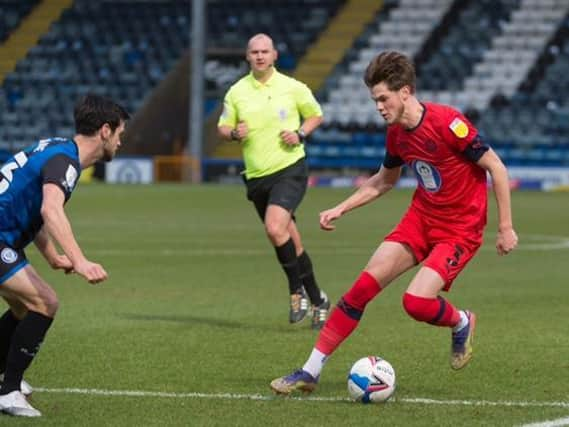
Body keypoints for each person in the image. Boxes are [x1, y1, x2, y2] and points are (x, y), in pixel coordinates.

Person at [270, 51, 519, 395]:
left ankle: (461, 321)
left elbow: (497, 167)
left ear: (405, 91)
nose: (379, 107)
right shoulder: (397, 134)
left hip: (460, 231)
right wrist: (341, 208)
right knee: (359, 292)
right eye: (375, 101)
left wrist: (505, 227)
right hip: (420, 220)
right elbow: (384, 181)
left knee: (415, 303)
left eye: (383, 98)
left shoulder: (448, 123)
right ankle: (309, 372)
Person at [0, 94, 129, 416]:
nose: (120, 142)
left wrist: (54, 257)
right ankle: (8, 391)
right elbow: (50, 209)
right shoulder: (66, 162)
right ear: (104, 131)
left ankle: (6, 383)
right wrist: (81, 260)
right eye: (120, 134)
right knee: (45, 302)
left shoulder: (56, 148)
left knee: (21, 307)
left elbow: (36, 212)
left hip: (5, 240)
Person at [217, 33, 330, 329]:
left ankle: (296, 292)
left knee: (274, 227)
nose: (259, 56)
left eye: (264, 51)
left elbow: (316, 115)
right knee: (291, 241)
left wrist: (300, 134)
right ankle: (319, 300)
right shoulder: (237, 91)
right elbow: (223, 125)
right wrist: (232, 133)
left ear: (275, 55)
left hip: (290, 168)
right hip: (256, 177)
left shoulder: (293, 87)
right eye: (254, 51)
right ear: (247, 56)